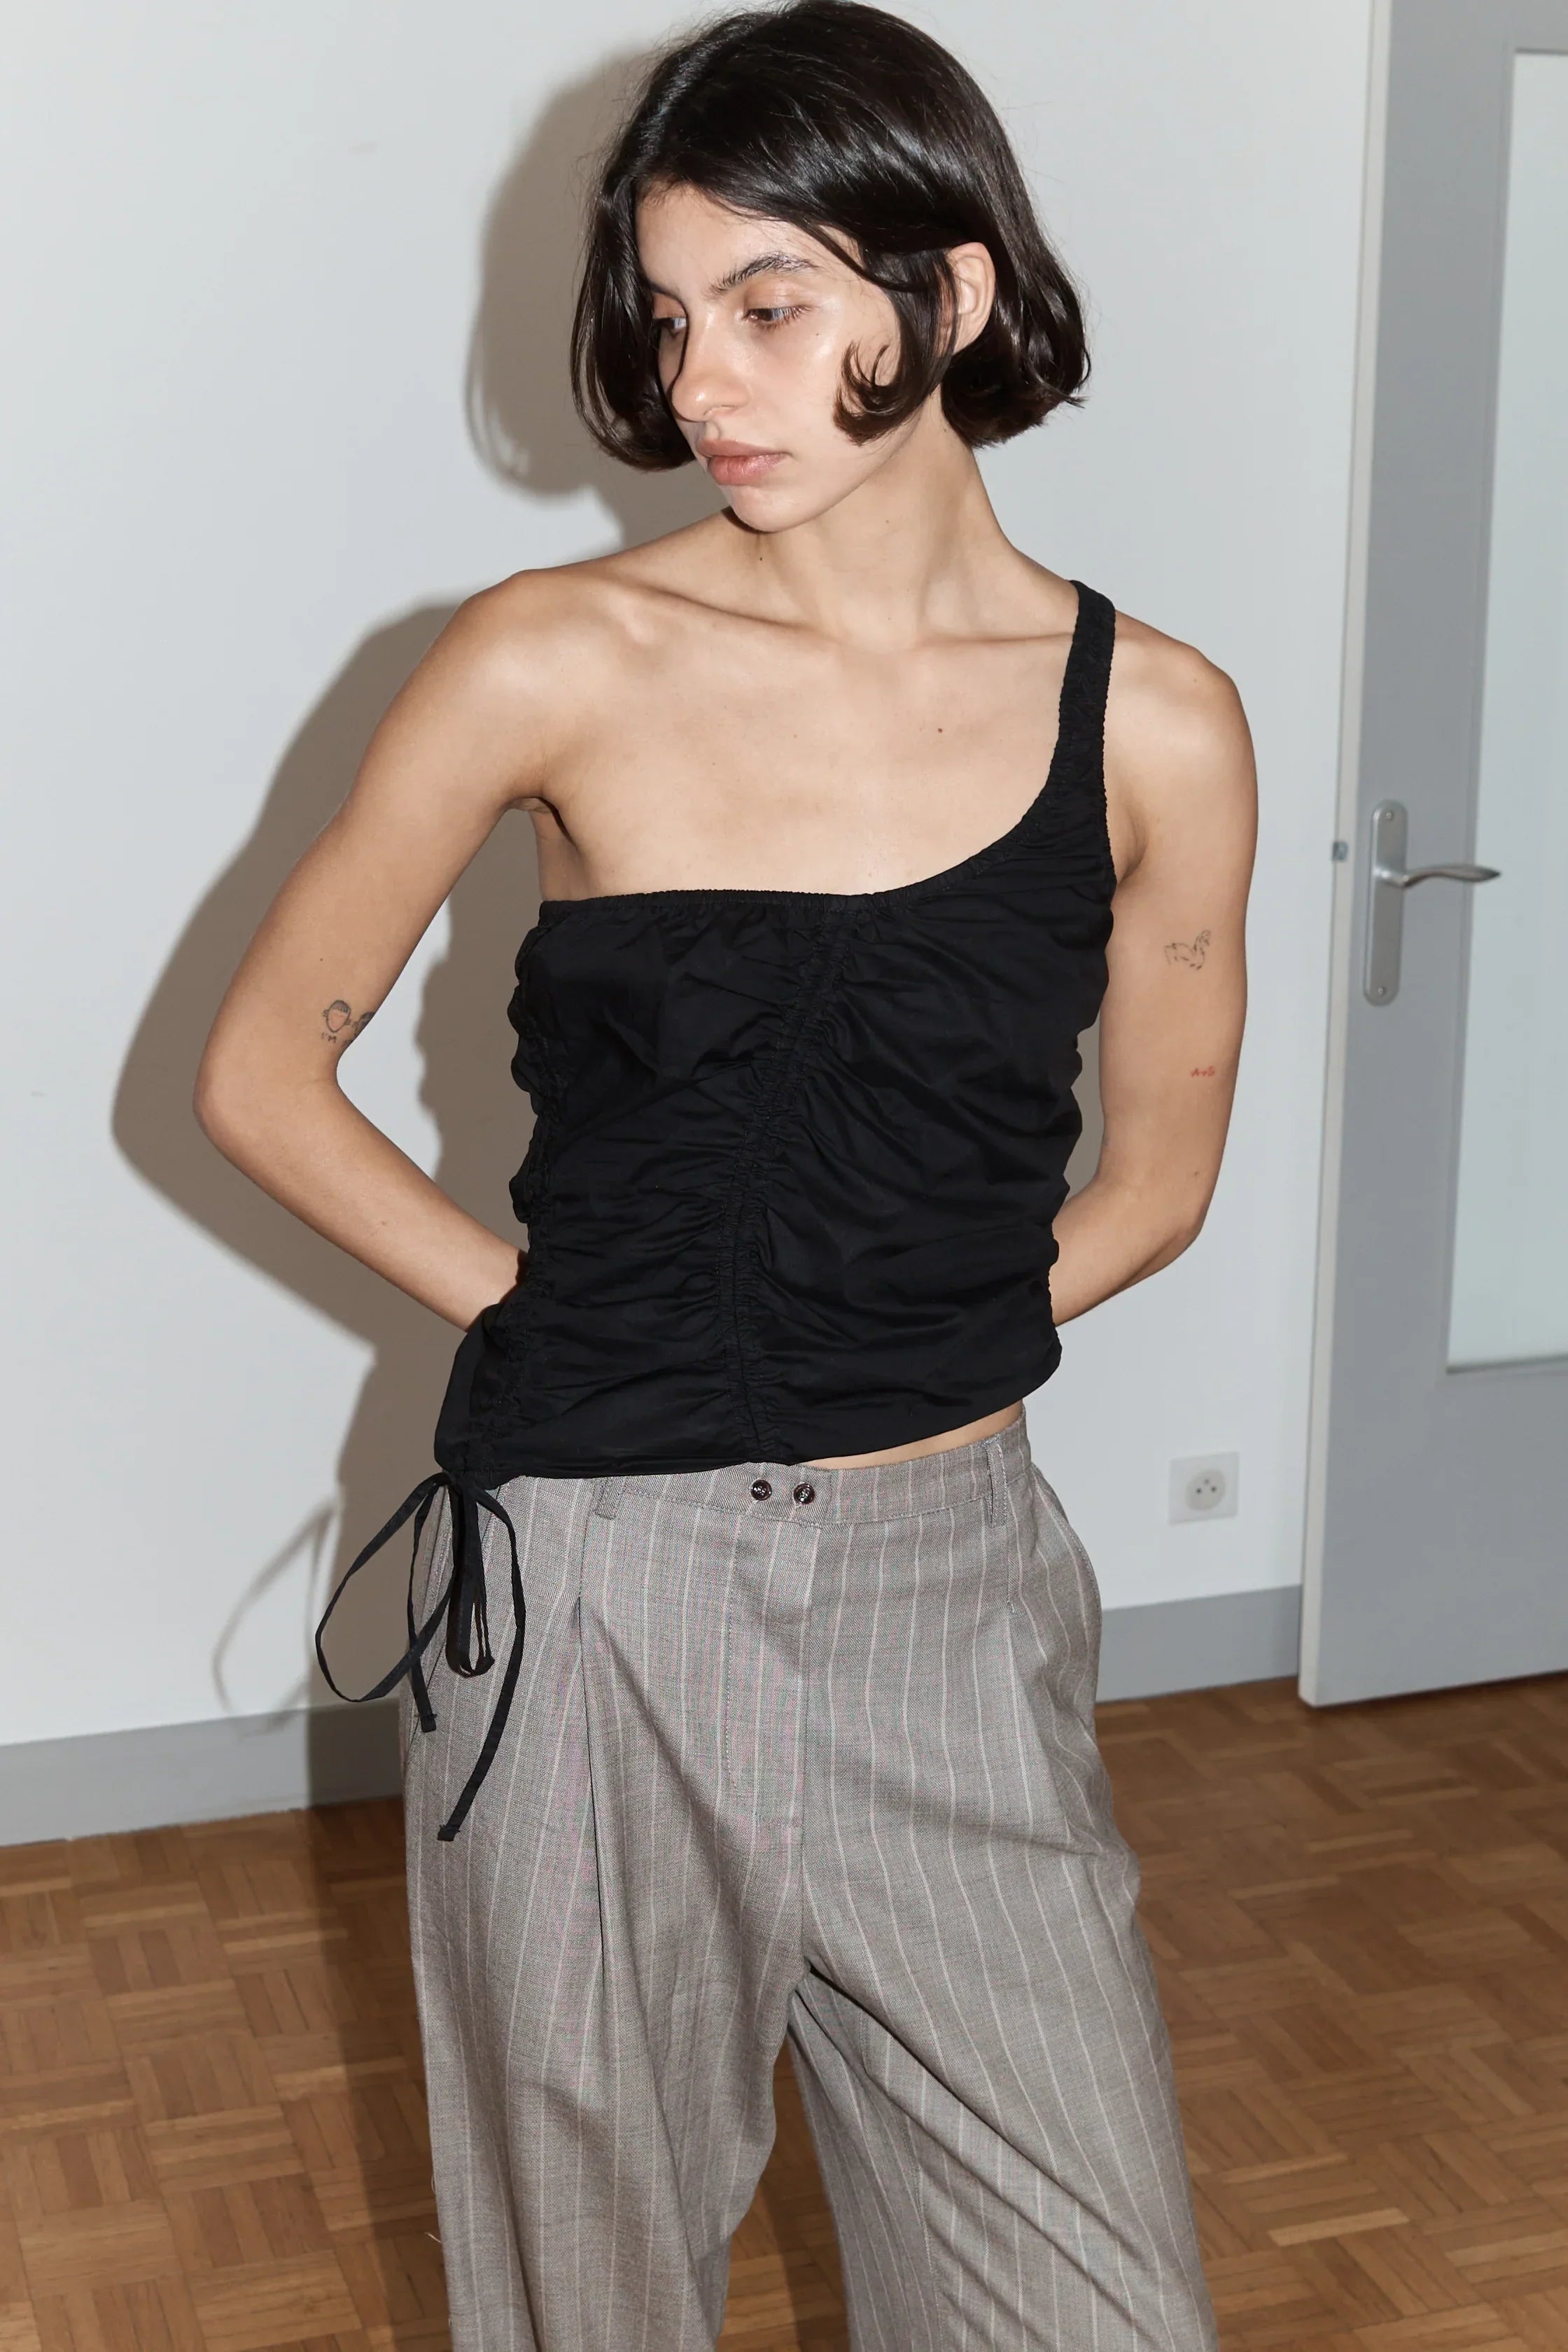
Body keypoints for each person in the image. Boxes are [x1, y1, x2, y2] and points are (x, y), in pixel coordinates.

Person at [197, 4, 1254, 2344]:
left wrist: (905, 1337)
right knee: (592, 2297)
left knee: (1094, 2306)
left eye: (769, 307)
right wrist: (545, 1311)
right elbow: (262, 1073)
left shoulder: (1158, 721)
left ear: (951, 292)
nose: (705, 381)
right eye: (672, 319)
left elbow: (1162, 1178)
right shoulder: (555, 657)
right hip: (595, 1587)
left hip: (953, 1592)